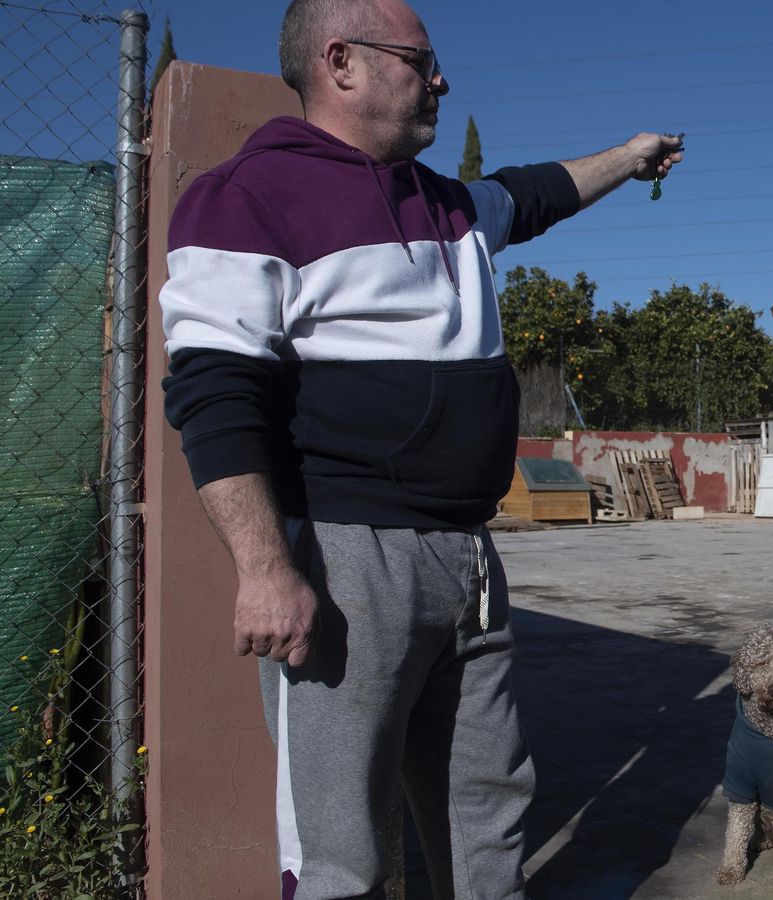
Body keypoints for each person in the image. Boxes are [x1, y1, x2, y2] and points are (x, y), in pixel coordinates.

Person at [159, 0, 684, 896]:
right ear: (342, 62)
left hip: (468, 559)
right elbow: (214, 394)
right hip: (344, 557)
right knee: (341, 847)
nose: (441, 78)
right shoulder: (246, 198)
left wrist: (630, 159)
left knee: (487, 816)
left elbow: (540, 191)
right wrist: (263, 568)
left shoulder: (452, 207)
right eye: (421, 58)